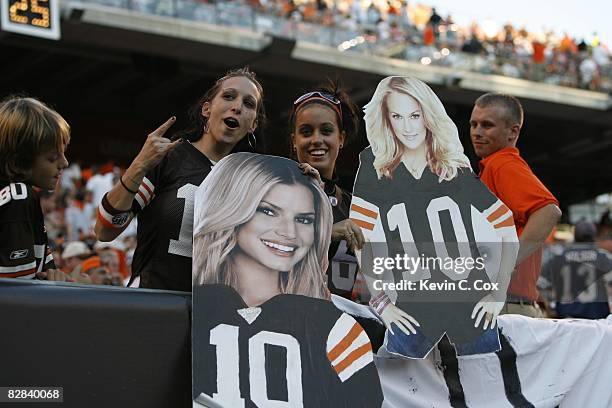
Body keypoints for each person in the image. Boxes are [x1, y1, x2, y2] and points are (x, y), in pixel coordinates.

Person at [192, 153, 383, 407]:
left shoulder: (337, 330)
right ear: (234, 209)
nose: (289, 232)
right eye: (269, 211)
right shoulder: (197, 308)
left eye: (304, 219)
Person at [350, 76, 519, 358]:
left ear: (428, 115)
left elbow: (505, 227)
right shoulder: (375, 163)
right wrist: (381, 303)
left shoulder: (452, 165)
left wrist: (498, 292)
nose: (407, 126)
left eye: (415, 115)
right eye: (397, 116)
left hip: (470, 307)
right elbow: (360, 236)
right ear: (386, 119)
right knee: (403, 393)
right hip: (411, 310)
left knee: (482, 392)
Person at [95, 67, 266, 291]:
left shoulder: (250, 181)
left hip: (212, 316)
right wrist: (138, 166)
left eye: (248, 104)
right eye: (228, 96)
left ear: (253, 124)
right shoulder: (169, 158)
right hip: (155, 303)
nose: (237, 107)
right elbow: (105, 230)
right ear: (207, 109)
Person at [470, 93, 561, 317]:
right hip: (509, 304)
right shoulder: (493, 166)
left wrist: (507, 264)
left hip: (504, 306)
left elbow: (548, 211)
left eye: (487, 125)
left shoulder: (501, 164)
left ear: (513, 131)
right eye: (473, 124)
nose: (477, 132)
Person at [289, 81, 365, 299]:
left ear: (340, 139)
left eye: (326, 131)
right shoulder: (273, 193)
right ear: (295, 141)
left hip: (339, 328)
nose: (316, 140)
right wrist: (327, 234)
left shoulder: (355, 206)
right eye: (306, 132)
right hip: (284, 320)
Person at [0, 96, 71, 282]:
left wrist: (51, 278)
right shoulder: (18, 196)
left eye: (63, 153)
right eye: (53, 157)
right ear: (18, 164)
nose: (64, 163)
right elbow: (16, 292)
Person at [541, 220, 612, 319]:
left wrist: (549, 308)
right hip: (596, 320)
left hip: (566, 319)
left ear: (575, 236)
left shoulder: (560, 258)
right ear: (593, 236)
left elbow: (540, 283)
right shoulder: (603, 257)